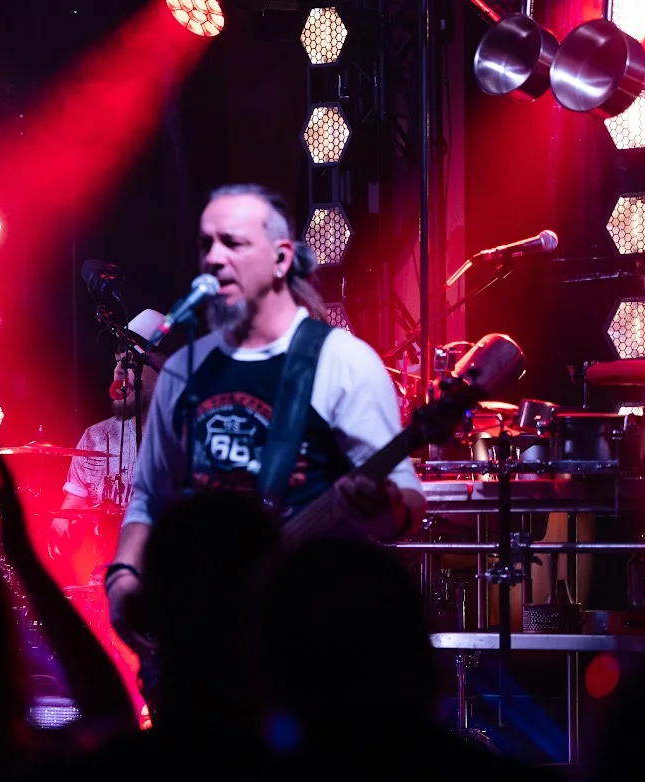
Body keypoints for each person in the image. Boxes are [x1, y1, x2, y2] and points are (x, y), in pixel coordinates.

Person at [106, 184, 425, 653]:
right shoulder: (183, 371)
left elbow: (408, 501)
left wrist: (384, 509)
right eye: (206, 244)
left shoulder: (342, 362)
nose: (214, 258)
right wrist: (124, 576)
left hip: (311, 635)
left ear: (281, 258)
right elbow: (150, 497)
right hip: (204, 638)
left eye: (232, 242)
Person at [50, 350, 160, 543]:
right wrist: (62, 522)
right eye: (118, 362)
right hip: (103, 568)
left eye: (130, 364)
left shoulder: (189, 440)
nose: (118, 371)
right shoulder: (95, 437)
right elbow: (76, 499)